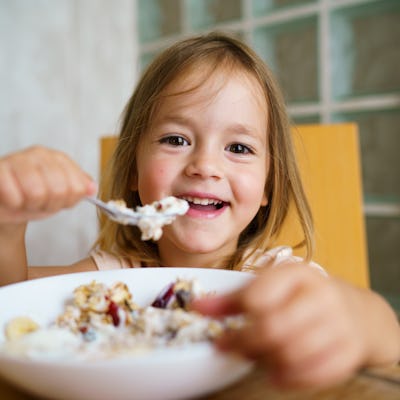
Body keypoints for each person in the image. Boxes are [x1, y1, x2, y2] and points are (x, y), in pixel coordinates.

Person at [0, 32, 399, 388]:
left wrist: (359, 319)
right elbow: (11, 299)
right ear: (134, 172)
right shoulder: (114, 282)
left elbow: (388, 342)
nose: (204, 166)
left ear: (267, 186)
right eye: (175, 139)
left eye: (238, 148)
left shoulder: (276, 279)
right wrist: (8, 224)